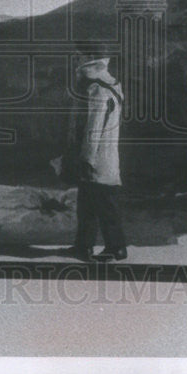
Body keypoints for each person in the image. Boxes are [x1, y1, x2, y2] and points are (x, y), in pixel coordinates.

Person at [69, 42, 127, 262]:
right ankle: (83, 246)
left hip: (98, 158)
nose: (76, 59)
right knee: (88, 204)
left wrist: (87, 158)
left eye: (78, 55)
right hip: (104, 156)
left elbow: (94, 128)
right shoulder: (109, 83)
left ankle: (117, 248)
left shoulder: (97, 89)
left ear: (90, 57)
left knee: (104, 205)